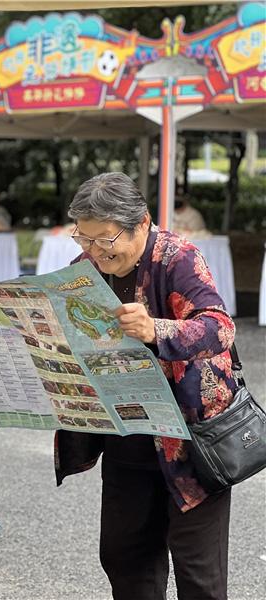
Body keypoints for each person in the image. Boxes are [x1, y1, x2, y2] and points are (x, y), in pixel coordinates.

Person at [57, 172, 236, 600]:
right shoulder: (83, 270)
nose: (96, 251)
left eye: (106, 240)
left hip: (192, 441)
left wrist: (156, 330)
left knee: (198, 572)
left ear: (142, 223)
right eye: (85, 238)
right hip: (128, 432)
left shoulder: (177, 258)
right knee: (124, 557)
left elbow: (220, 328)